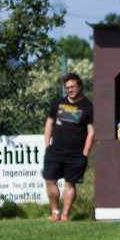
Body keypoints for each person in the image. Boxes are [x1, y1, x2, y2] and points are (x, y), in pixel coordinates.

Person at [42, 73, 95, 222]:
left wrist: (85, 153)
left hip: (76, 154)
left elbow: (91, 132)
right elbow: (49, 124)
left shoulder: (88, 107)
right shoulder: (58, 104)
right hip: (55, 152)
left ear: (80, 87)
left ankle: (65, 215)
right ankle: (55, 212)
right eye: (67, 88)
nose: (70, 90)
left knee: (70, 183)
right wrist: (47, 146)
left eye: (72, 87)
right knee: (50, 180)